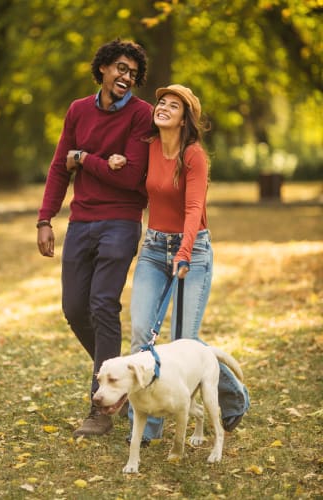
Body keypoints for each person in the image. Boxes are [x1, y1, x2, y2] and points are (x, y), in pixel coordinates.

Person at [111, 84, 250, 444]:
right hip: (154, 247)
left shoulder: (194, 156)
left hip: (194, 252)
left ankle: (234, 400)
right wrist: (116, 162)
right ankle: (147, 426)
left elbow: (193, 210)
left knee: (185, 342)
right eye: (161, 102)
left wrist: (185, 252)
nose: (163, 107)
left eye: (174, 105)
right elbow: (135, 182)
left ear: (185, 118)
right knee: (143, 333)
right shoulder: (150, 147)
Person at [36, 39, 152, 438]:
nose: (126, 77)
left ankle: (99, 409)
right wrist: (45, 219)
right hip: (82, 220)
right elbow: (58, 166)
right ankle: (116, 374)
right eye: (121, 68)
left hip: (121, 220)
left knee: (103, 304)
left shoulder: (142, 115)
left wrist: (86, 160)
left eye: (133, 73)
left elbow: (132, 176)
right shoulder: (78, 111)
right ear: (102, 68)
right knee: (73, 307)